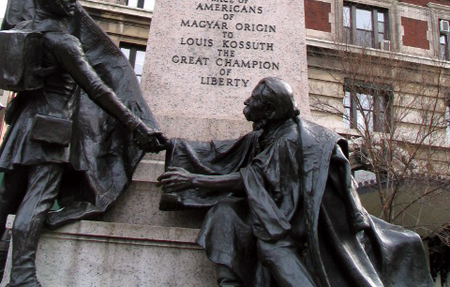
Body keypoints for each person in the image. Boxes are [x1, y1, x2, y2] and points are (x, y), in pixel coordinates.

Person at [158, 77, 433, 287]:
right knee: (224, 213)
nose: (245, 103)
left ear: (268, 110)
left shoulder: (288, 139)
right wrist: (169, 146)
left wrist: (193, 180)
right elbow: (221, 153)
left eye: (252, 100)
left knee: (272, 248)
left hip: (297, 222)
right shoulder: (264, 135)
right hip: (272, 213)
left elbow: (249, 179)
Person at [0, 0, 166, 287]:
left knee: (8, 197)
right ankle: (21, 275)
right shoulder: (64, 42)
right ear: (47, 1)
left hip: (23, 126)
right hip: (53, 129)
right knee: (38, 199)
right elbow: (97, 88)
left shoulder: (29, 30)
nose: (71, 2)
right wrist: (137, 125)